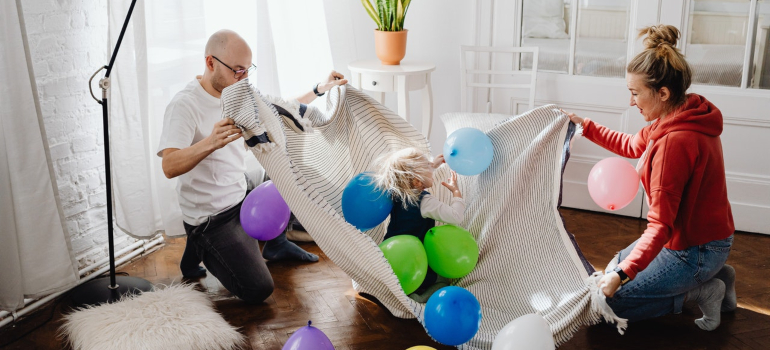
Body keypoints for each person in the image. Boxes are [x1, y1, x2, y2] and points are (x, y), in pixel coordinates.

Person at [561, 25, 736, 331]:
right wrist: (585, 126)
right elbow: (631, 144)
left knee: (605, 308)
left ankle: (702, 289)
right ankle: (720, 274)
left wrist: (623, 274)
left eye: (635, 92)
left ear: (663, 93)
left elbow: (660, 227)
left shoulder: (675, 144)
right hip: (707, 242)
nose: (631, 101)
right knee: (611, 270)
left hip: (693, 251)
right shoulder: (684, 112)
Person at [157, 29, 347, 303]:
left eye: (247, 70)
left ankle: (277, 243)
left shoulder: (237, 92)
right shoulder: (184, 105)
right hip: (213, 216)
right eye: (237, 70)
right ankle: (199, 241)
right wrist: (211, 142)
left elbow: (279, 109)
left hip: (241, 190)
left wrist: (320, 88)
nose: (243, 78)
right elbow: (169, 166)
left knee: (285, 162)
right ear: (210, 63)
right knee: (259, 289)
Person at [371, 148, 465, 302]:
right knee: (442, 281)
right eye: (428, 166)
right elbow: (456, 216)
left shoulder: (396, 193)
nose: (431, 167)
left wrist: (433, 165)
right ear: (417, 181)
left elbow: (412, 177)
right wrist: (456, 192)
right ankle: (416, 298)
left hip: (391, 258)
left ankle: (399, 291)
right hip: (413, 262)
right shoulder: (424, 202)